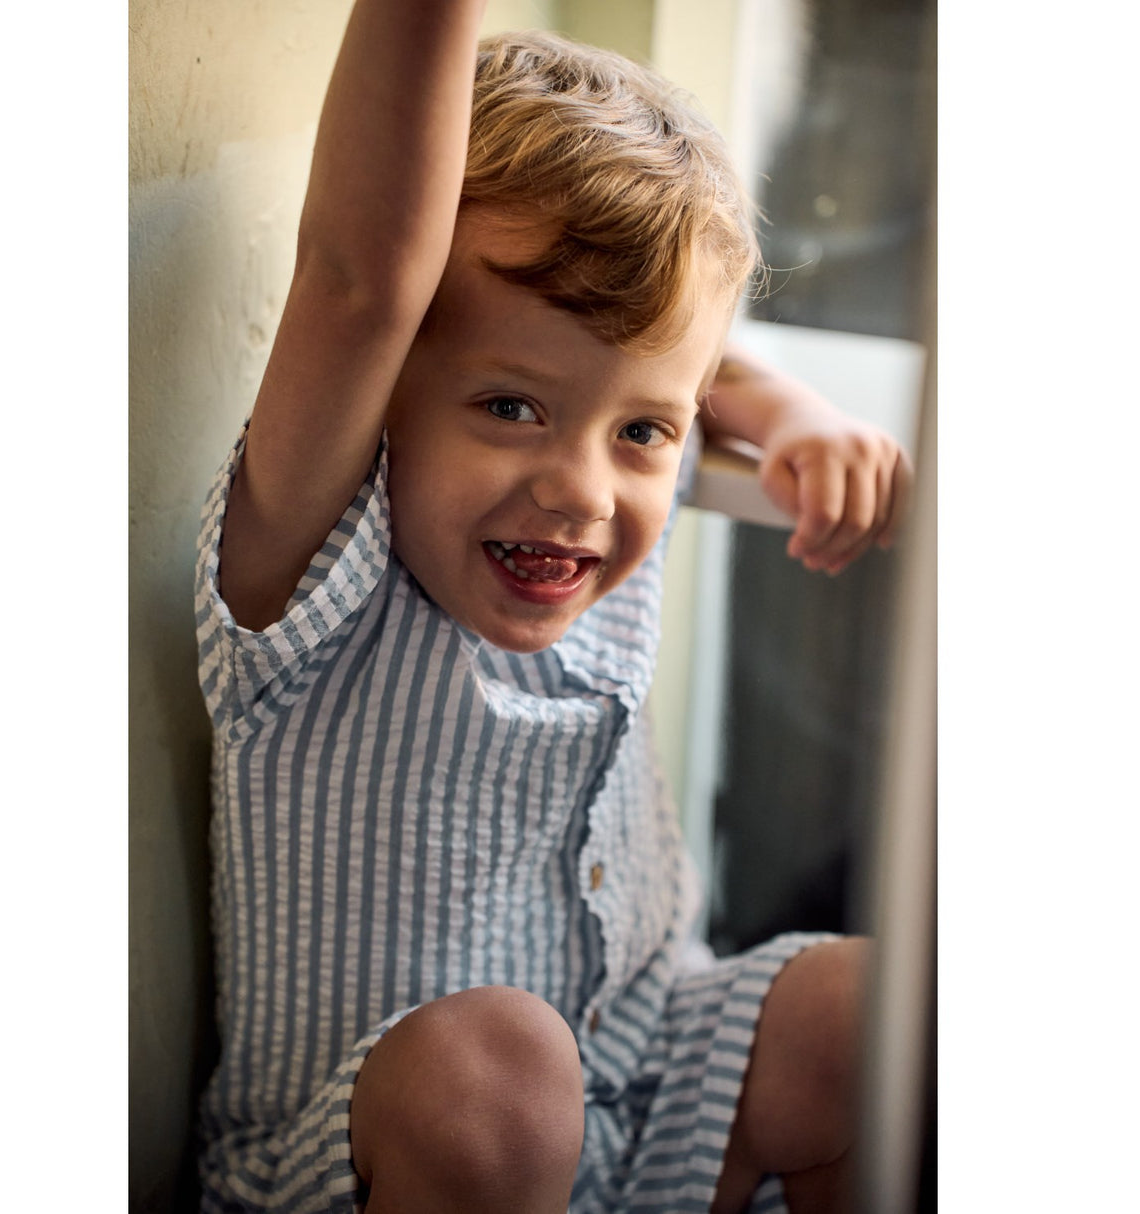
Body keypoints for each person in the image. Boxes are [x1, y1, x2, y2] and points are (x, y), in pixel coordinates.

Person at [194, 3, 911, 1212]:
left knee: (879, 1015)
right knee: (506, 1073)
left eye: (642, 433)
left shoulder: (604, 487)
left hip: (645, 1084)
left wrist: (787, 409)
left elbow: (661, 351)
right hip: (400, 1148)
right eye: (510, 408)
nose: (583, 489)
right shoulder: (314, 570)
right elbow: (362, 277)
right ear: (386, 385)